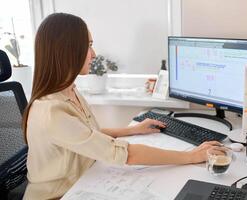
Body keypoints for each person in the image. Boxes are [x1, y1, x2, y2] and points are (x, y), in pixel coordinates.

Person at [22, 13, 223, 200]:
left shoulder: (69, 91)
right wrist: (191, 156)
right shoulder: (51, 111)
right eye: (88, 45)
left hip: (84, 180)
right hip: (59, 196)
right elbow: (127, 154)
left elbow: (88, 135)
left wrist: (133, 130)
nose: (93, 54)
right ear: (67, 51)